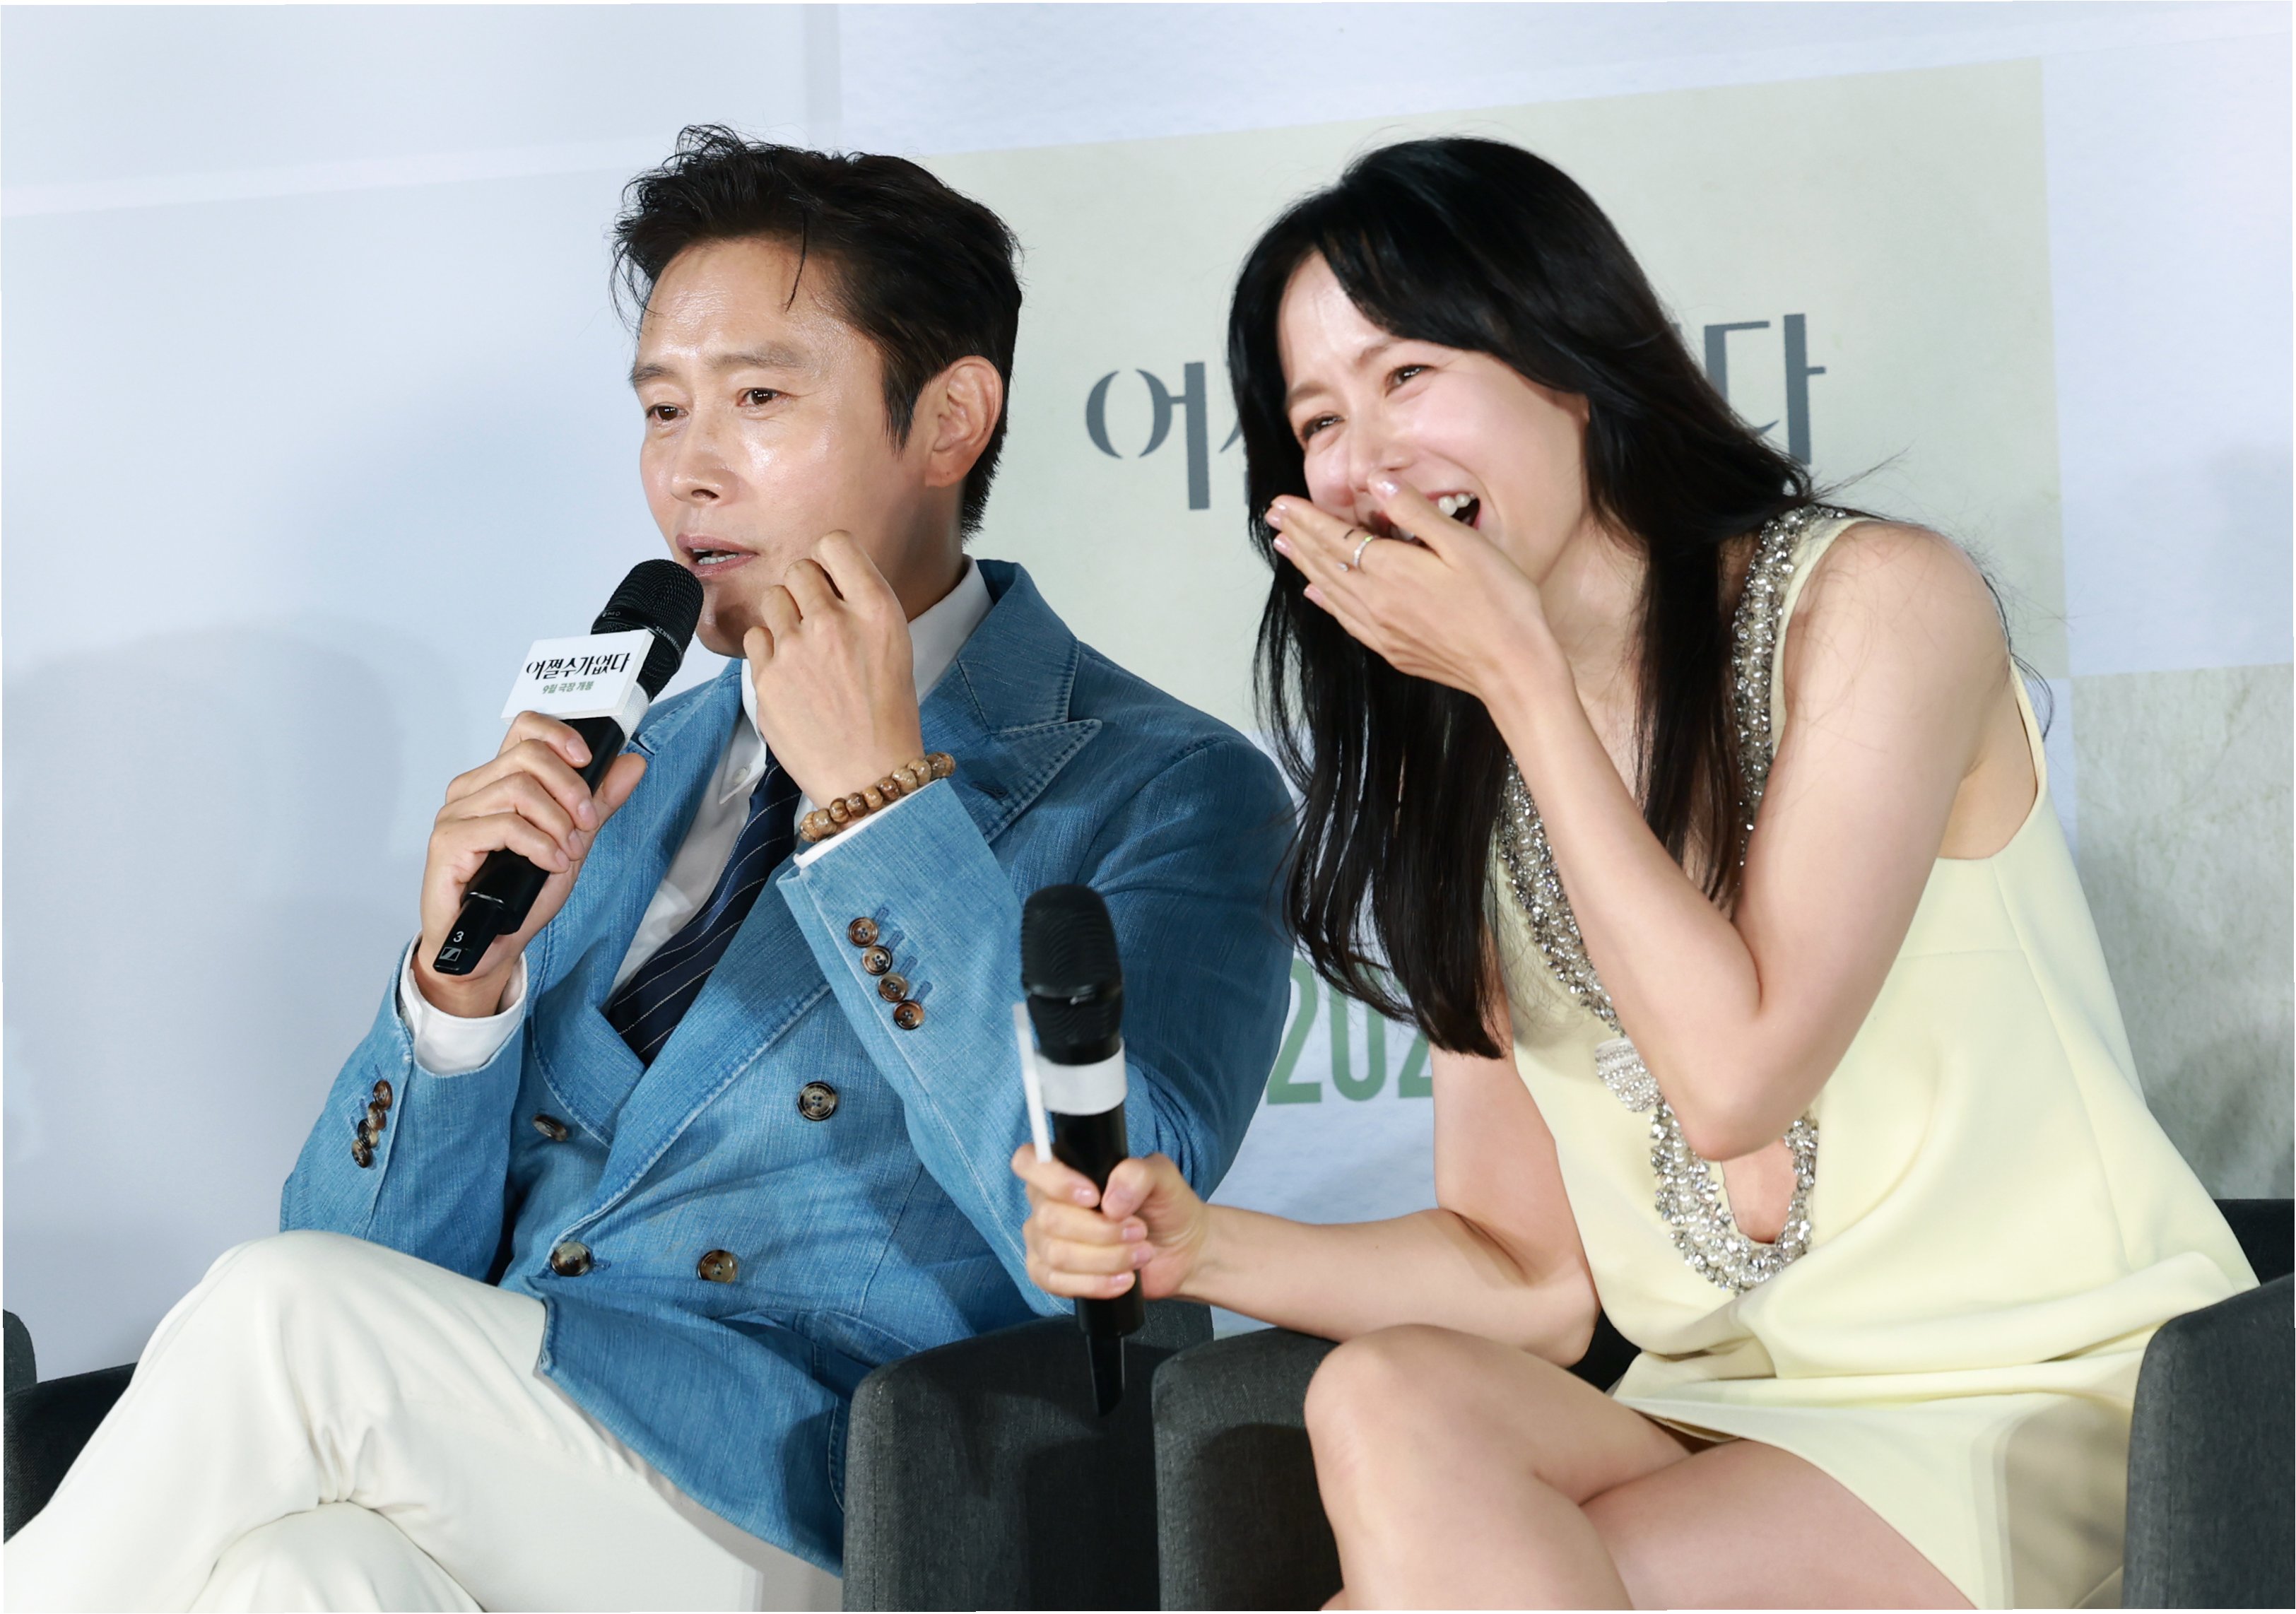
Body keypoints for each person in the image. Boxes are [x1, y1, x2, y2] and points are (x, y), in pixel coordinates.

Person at [11, 127, 1293, 1612]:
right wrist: (458, 1000)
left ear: (948, 419)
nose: (691, 468)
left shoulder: (1163, 785)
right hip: (509, 1452)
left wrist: (878, 806)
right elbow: (361, 1259)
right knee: (304, 1570)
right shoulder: (627, 761)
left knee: (282, 1319)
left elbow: (1109, 1232)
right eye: (663, 408)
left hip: (832, 1500)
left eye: (758, 399)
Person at [1014, 136, 2254, 1610]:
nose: (1362, 460)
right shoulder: (1449, 771)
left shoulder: (1877, 605)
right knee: (1379, 1394)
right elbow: (1528, 1278)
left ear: (1570, 366)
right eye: (1318, 421)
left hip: (2039, 1394)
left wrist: (1521, 687)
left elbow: (1735, 1078)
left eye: (1408, 375)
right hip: (1717, 1410)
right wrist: (1203, 1245)